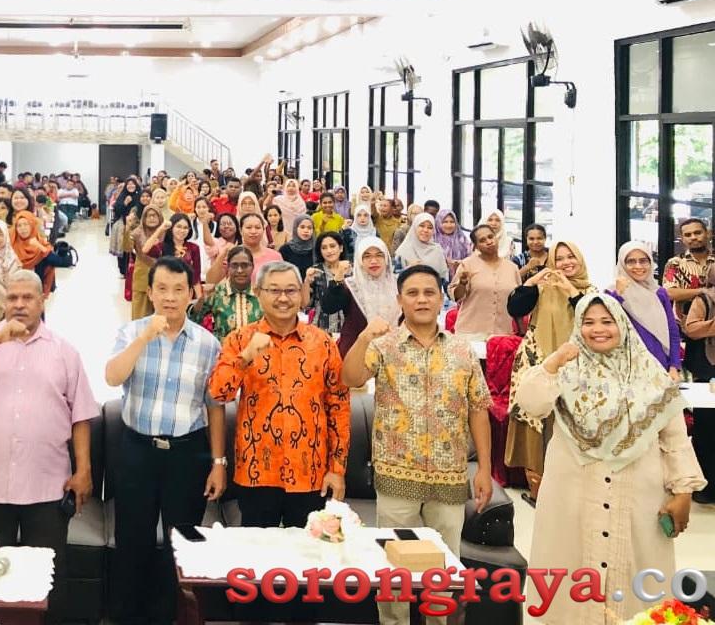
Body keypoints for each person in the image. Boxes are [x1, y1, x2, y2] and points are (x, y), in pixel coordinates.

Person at [514, 295, 705, 623]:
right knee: (571, 575)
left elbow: (673, 437)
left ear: (623, 325)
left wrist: (684, 490)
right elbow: (530, 404)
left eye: (607, 321)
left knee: (636, 585)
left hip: (638, 496)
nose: (598, 329)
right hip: (572, 495)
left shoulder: (650, 374)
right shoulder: (565, 370)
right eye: (588, 322)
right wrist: (554, 361)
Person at [342, 265, 493, 625]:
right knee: (393, 567)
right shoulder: (384, 346)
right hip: (397, 477)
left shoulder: (462, 350)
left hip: (449, 477)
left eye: (429, 292)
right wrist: (363, 337)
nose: (421, 299)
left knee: (443, 568)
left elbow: (478, 409)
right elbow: (350, 377)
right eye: (412, 293)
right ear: (400, 300)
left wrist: (485, 469)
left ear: (441, 299)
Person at [0, 269, 97, 620]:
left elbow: (81, 415)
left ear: (42, 301)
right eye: (12, 298)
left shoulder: (64, 351)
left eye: (28, 298)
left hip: (46, 487)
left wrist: (84, 469)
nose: (19, 304)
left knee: (47, 577)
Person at [104, 256, 227, 625]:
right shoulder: (131, 333)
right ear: (150, 292)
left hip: (187, 455)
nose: (170, 297)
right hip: (137, 451)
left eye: (178, 289)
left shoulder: (208, 344)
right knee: (132, 540)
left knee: (181, 542)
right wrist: (145, 338)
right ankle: (127, 617)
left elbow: (215, 407)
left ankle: (170, 616)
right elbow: (112, 377)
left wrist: (218, 463)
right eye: (162, 289)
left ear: (191, 294)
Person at [210, 261, 350, 527]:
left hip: (311, 472)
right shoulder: (240, 339)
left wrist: (337, 469)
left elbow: (339, 407)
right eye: (274, 290)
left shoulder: (323, 343)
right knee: (258, 550)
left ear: (301, 293)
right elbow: (219, 393)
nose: (283, 298)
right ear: (258, 292)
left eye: (291, 290)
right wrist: (246, 357)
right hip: (256, 472)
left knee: (308, 550)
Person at [505, 240, 596, 506]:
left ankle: (570, 491)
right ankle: (538, 491)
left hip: (576, 365)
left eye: (571, 257)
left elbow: (589, 317)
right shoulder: (542, 288)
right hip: (538, 360)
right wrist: (532, 282)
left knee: (569, 424)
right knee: (536, 423)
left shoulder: (591, 291)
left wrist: (569, 290)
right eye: (560, 258)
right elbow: (515, 308)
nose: (566, 263)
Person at [607, 241, 681, 378]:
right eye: (631, 261)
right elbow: (608, 326)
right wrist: (619, 294)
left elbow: (672, 331)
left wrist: (674, 366)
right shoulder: (611, 294)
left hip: (659, 365)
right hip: (626, 369)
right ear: (622, 264)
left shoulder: (659, 293)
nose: (638, 266)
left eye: (643, 261)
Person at [322, 237, 401, 357]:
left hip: (393, 353)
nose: (373, 261)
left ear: (386, 258)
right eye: (367, 256)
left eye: (379, 255)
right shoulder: (351, 286)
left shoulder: (398, 285)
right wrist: (338, 277)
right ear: (359, 260)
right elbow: (328, 307)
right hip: (356, 354)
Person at [448, 225, 522, 337]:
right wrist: (462, 283)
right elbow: (457, 297)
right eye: (482, 240)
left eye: (490, 237)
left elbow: (517, 302)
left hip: (502, 334)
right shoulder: (467, 264)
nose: (489, 242)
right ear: (476, 246)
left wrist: (522, 331)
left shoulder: (512, 268)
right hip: (471, 334)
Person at [681, 263, 715, 504]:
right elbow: (691, 329)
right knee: (706, 429)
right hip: (708, 373)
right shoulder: (705, 298)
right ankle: (706, 487)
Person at [191, 246, 263, 341]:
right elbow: (193, 320)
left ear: (252, 267)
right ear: (228, 267)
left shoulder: (261, 294)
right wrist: (203, 298)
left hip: (256, 349)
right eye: (234, 265)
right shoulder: (216, 292)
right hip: (223, 348)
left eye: (245, 265)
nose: (240, 270)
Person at [663, 218, 715, 319]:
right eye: (688, 235)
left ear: (708, 234)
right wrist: (703, 291)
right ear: (682, 239)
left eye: (698, 233)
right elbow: (669, 293)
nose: (693, 237)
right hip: (685, 324)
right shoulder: (675, 263)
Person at [145, 213, 202, 301]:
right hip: (165, 292)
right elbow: (146, 249)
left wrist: (200, 299)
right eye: (178, 227)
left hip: (185, 292)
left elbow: (196, 276)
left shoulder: (194, 248)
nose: (182, 230)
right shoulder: (162, 247)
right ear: (171, 228)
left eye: (185, 228)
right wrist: (160, 229)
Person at [303, 232, 350, 337]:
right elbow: (305, 304)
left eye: (332, 246)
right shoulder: (315, 271)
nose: (329, 251)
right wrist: (306, 281)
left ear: (341, 248)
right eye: (324, 248)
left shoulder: (352, 271)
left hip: (348, 328)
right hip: (320, 328)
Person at [127, 207, 163, 320]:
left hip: (162, 280)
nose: (152, 218)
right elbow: (126, 248)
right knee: (140, 318)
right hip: (142, 280)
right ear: (143, 218)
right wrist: (127, 228)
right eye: (148, 216)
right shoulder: (137, 233)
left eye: (154, 215)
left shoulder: (166, 233)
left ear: (160, 217)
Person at [393, 213, 449, 281]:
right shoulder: (403, 250)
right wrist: (409, 269)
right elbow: (394, 278)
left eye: (430, 227)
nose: (425, 230)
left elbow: (444, 278)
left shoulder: (437, 250)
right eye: (422, 226)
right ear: (415, 227)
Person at [433, 211, 472, 282]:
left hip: (461, 280)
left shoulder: (463, 239)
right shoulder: (433, 239)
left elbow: (471, 259)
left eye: (452, 222)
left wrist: (460, 263)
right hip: (437, 279)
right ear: (438, 222)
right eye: (445, 222)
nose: (449, 225)